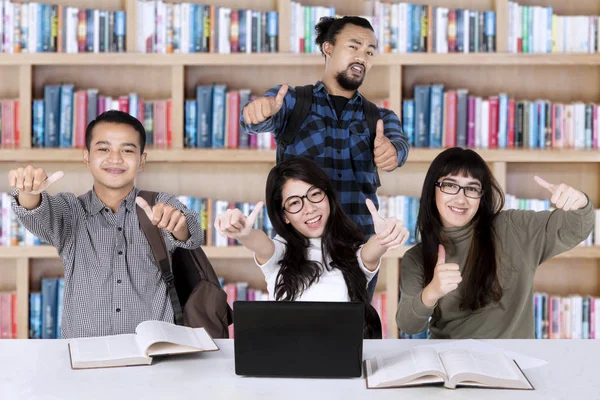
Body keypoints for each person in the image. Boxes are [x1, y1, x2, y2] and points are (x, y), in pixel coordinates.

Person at [240, 16, 410, 296]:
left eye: (370, 51)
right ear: (328, 47)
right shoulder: (292, 102)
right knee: (298, 327)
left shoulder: (379, 117)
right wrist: (258, 111)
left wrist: (391, 153)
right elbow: (256, 118)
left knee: (354, 330)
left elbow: (399, 147)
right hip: (298, 248)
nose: (362, 57)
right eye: (354, 46)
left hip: (358, 250)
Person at [8, 110, 202, 339]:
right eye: (104, 149)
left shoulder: (160, 203)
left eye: (127, 150)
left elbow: (192, 232)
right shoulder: (71, 211)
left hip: (153, 351)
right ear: (86, 156)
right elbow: (36, 212)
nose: (115, 158)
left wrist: (177, 225)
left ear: (142, 160)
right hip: (87, 353)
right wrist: (29, 192)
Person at [396, 147, 595, 339]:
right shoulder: (416, 258)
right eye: (450, 185)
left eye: (472, 188)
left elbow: (574, 230)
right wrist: (432, 292)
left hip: (515, 361)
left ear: (482, 197)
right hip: (453, 361)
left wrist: (579, 203)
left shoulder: (514, 228)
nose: (461, 198)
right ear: (433, 191)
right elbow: (408, 325)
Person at [214, 157, 409, 338]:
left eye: (315, 194)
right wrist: (244, 234)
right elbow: (262, 245)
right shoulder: (280, 252)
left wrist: (385, 237)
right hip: (288, 363)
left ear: (327, 196)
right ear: (284, 216)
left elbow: (370, 251)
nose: (309, 208)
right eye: (294, 203)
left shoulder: (352, 253)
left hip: (342, 363)